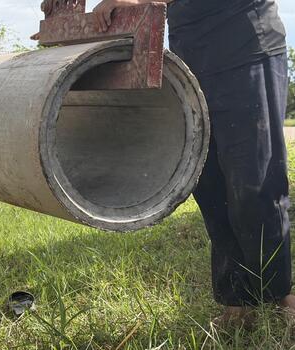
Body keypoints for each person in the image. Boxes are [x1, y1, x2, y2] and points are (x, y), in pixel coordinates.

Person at [93, 0, 294, 326]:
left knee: (254, 180)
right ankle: (237, 301)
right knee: (211, 185)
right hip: (192, 54)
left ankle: (280, 294)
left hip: (244, 45)